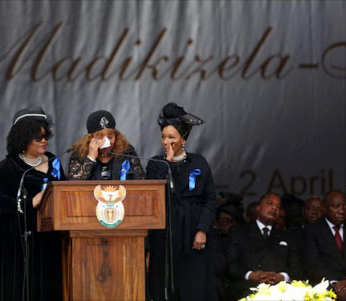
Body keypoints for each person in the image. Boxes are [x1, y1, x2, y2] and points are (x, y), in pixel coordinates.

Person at [0, 106, 65, 301]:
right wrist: (29, 202)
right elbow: (0, 201)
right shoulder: (9, 166)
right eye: (38, 138)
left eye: (45, 136)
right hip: (19, 239)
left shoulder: (54, 162)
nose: (44, 141)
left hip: (49, 238)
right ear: (23, 138)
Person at [146, 102, 216, 301]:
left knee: (193, 286)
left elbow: (209, 198)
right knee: (165, 285)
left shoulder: (199, 162)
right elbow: (155, 197)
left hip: (192, 231)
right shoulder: (156, 164)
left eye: (172, 137)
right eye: (163, 137)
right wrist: (168, 163)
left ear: (183, 139)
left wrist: (202, 229)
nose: (167, 142)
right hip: (165, 234)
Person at [226, 193, 301, 300]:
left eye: (278, 207)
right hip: (247, 287)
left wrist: (281, 277)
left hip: (280, 289)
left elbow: (296, 269)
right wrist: (252, 275)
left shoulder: (288, 236)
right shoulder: (239, 232)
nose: (274, 208)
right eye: (269, 203)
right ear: (258, 207)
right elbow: (231, 265)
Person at [67, 110, 145, 180]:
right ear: (90, 138)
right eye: (100, 137)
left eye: (110, 137)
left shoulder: (127, 151)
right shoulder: (78, 153)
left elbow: (140, 180)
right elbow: (72, 184)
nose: (107, 142)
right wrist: (90, 158)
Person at [303, 190, 346, 290]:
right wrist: (335, 283)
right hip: (327, 286)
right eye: (336, 207)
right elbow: (313, 265)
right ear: (324, 208)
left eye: (344, 206)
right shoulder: (311, 230)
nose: (342, 211)